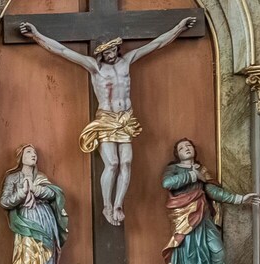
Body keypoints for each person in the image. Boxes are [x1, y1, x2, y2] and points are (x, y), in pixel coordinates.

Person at [22, 17, 197, 225]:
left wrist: (179, 27)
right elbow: (62, 51)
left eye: (113, 50)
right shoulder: (94, 67)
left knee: (126, 162)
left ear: (117, 48)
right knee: (112, 163)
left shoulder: (127, 61)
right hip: (106, 118)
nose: (111, 55)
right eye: (106, 53)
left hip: (126, 118)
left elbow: (156, 44)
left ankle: (118, 204)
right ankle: (107, 205)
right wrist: (36, 35)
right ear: (100, 54)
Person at [163, 139, 260, 264]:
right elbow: (167, 183)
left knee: (218, 253)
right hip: (186, 219)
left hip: (204, 217)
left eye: (189, 146)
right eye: (181, 148)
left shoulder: (202, 170)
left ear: (194, 149)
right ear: (177, 154)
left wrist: (239, 199)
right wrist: (192, 175)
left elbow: (212, 191)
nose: (186, 148)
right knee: (194, 256)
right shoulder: (174, 169)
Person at [0, 145, 68, 264]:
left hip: (45, 219)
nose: (33, 155)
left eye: (35, 153)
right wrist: (22, 193)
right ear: (21, 157)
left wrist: (36, 189)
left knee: (46, 260)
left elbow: (53, 194)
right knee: (27, 259)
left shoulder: (41, 177)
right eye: (29, 152)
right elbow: (5, 201)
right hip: (26, 222)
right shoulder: (13, 178)